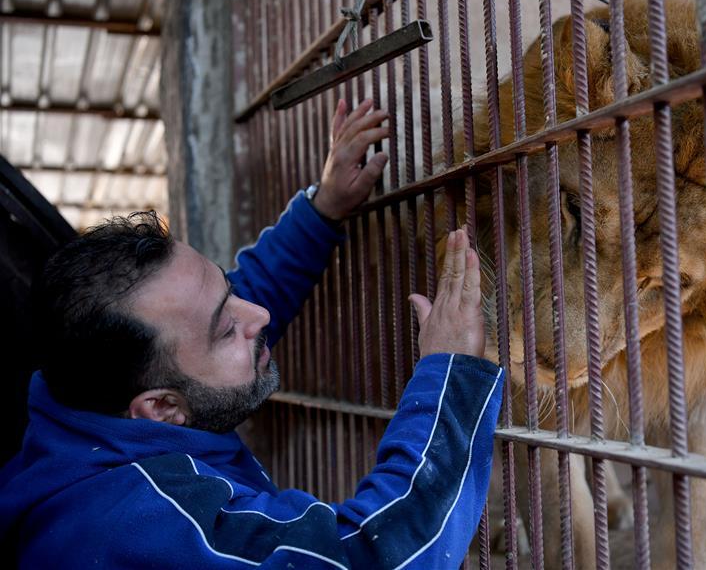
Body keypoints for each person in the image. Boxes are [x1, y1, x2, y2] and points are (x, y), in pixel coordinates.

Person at [0, 99, 504, 569]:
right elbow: (378, 557)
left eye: (224, 284)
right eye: (226, 329)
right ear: (160, 409)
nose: (257, 313)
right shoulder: (142, 530)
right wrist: (451, 376)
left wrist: (322, 208)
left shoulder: (87, 404)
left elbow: (224, 310)